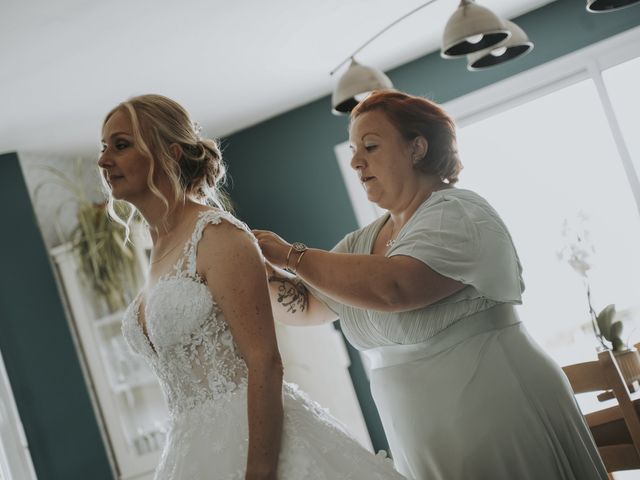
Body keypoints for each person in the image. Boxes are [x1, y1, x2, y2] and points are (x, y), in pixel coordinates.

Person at [253, 90, 608, 480]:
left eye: (370, 146)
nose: (356, 161)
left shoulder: (458, 212)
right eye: (354, 149)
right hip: (420, 437)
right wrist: (244, 267)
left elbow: (397, 288)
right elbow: (304, 305)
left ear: (416, 148)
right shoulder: (360, 242)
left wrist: (290, 255)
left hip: (496, 414)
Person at [98, 94, 404, 480]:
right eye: (104, 147)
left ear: (170, 153)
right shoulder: (158, 251)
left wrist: (259, 471)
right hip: (190, 448)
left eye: (121, 145)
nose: (104, 160)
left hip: (252, 443)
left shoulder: (216, 235)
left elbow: (265, 362)